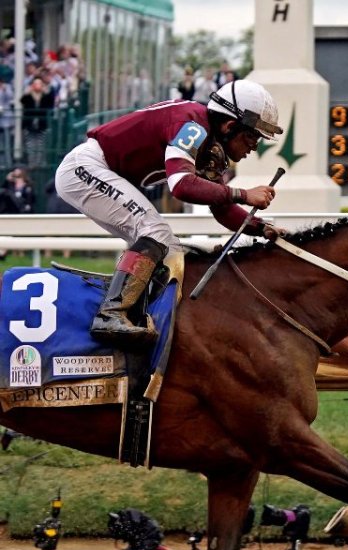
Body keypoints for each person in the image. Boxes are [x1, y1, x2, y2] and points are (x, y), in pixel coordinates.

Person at [53, 80, 284, 349]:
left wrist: (261, 227)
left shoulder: (209, 145)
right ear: (229, 126)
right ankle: (110, 316)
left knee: (170, 248)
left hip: (97, 170)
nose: (254, 147)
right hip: (85, 168)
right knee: (156, 233)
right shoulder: (193, 125)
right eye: (251, 136)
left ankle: (139, 316)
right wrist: (244, 193)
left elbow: (223, 211)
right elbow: (182, 186)